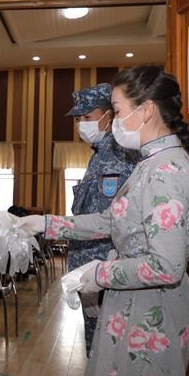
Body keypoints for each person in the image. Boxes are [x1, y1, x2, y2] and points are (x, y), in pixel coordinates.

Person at [16, 66, 189, 376]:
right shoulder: (150, 163)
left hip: (150, 311)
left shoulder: (165, 172)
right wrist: (45, 224)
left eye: (117, 111)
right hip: (134, 302)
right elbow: (111, 219)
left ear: (147, 110)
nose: (115, 121)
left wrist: (99, 274)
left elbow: (166, 266)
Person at [66, 82, 138, 356]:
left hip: (104, 274)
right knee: (97, 353)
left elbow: (114, 222)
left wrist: (100, 278)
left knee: (108, 356)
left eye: (87, 116)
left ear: (109, 115)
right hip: (92, 275)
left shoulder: (119, 156)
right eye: (78, 118)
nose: (81, 124)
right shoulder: (98, 156)